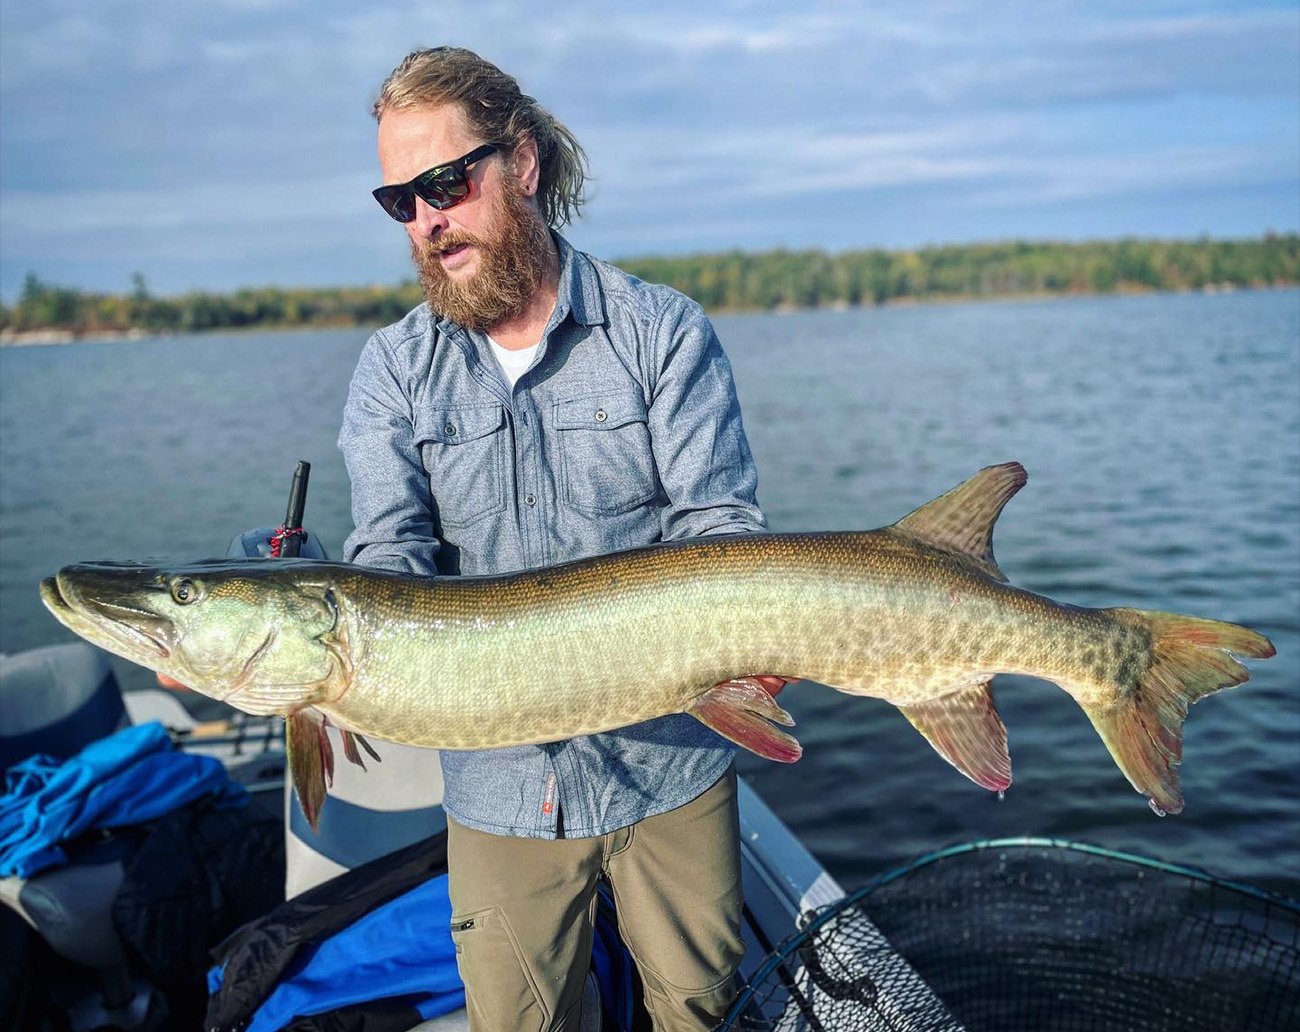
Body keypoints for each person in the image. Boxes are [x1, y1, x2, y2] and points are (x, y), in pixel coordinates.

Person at [341, 46, 768, 1029]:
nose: (426, 219)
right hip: (500, 790)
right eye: (398, 200)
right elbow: (386, 554)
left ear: (522, 164)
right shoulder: (394, 371)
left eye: (444, 182)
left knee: (698, 1010)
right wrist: (314, 666)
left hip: (673, 763)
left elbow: (723, 531)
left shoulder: (660, 332)